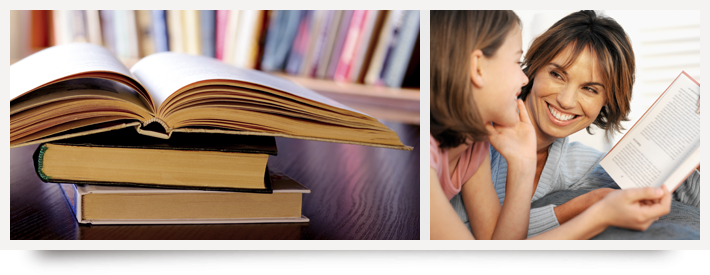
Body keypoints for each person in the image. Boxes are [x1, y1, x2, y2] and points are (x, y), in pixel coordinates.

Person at [448, 10, 700, 239]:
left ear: (606, 102)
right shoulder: (477, 130)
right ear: (534, 69)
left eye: (589, 89)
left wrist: (698, 145)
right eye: (557, 75)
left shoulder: (581, 165)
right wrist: (574, 208)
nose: (566, 100)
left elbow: (680, 197)